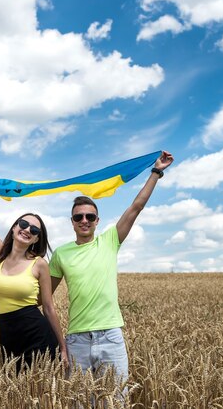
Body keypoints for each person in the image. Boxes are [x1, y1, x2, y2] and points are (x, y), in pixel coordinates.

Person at [49, 151, 174, 386]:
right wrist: (8, 308)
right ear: (72, 222)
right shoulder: (60, 254)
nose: (84, 220)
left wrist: (156, 172)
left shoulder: (110, 240)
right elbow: (43, 296)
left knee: (117, 401)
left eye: (90, 216)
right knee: (80, 402)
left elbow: (136, 207)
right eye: (78, 217)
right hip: (77, 340)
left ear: (97, 220)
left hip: (111, 337)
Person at [0, 173, 68, 372]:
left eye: (34, 230)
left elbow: (48, 307)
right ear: (14, 228)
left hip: (37, 335)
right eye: (23, 224)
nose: (27, 229)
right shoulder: (1, 256)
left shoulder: (39, 265)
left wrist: (63, 348)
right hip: (8, 335)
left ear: (36, 239)